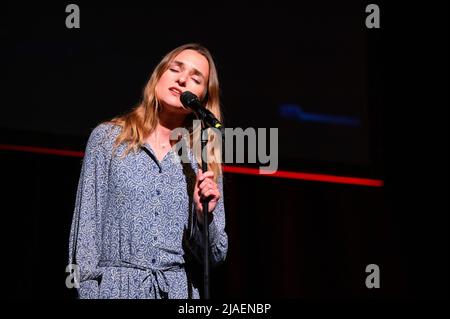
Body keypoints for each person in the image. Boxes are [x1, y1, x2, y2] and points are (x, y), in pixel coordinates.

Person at [68, 43, 228, 299]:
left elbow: (216, 255)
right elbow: (86, 233)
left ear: (203, 97)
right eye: (175, 68)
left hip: (178, 292)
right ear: (159, 75)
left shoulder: (202, 159)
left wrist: (202, 218)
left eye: (195, 78)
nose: (182, 79)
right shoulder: (108, 139)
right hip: (116, 290)